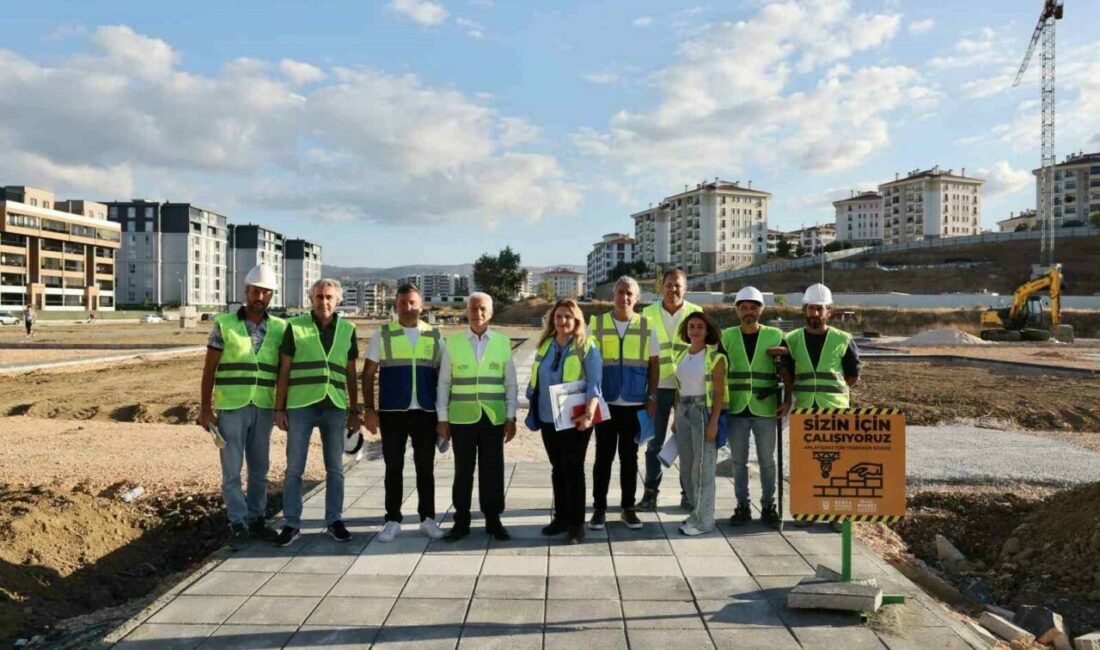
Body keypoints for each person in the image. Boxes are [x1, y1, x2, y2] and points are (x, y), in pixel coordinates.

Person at [199, 265, 285, 549]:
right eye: (255, 290)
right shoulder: (224, 324)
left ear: (271, 295)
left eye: (265, 291)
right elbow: (209, 369)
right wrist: (205, 408)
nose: (260, 296)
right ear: (246, 292)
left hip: (263, 407)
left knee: (260, 468)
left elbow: (285, 370)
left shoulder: (280, 328)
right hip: (232, 407)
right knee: (232, 470)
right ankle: (237, 522)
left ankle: (256, 519)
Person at [272, 279, 360, 546]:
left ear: (338, 300)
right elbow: (284, 370)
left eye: (329, 297)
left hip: (334, 406)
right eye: (319, 297)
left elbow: (351, 373)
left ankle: (334, 520)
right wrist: (279, 407)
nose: (324, 302)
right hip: (301, 406)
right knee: (294, 469)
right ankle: (291, 523)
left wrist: (355, 410)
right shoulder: (295, 327)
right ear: (311, 299)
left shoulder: (348, 329)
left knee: (335, 469)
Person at [361, 284, 445, 543]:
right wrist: (369, 410)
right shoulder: (382, 334)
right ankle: (392, 519)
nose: (408, 308)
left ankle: (427, 519)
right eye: (402, 303)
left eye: (412, 303)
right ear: (395, 305)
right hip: (392, 411)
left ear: (421, 305)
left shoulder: (434, 335)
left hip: (426, 411)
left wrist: (444, 416)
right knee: (393, 466)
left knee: (425, 467)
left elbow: (445, 377)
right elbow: (367, 374)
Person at [436, 292, 518, 542]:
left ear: (491, 313)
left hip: (493, 418)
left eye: (483, 309)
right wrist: (443, 418)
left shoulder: (503, 343)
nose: (478, 313)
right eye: (473, 308)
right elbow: (444, 383)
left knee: (492, 471)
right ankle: (461, 521)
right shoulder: (453, 343)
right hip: (462, 418)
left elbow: (511, 384)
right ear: (467, 311)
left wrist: (511, 417)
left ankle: (493, 520)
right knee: (463, 471)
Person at [784, 283, 862, 529]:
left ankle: (838, 513)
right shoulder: (792, 339)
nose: (815, 314)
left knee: (838, 464)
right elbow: (786, 371)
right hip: (804, 409)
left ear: (829, 311)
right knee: (805, 463)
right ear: (805, 309)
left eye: (820, 309)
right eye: (811, 309)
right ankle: (807, 510)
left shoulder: (843, 339)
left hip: (835, 411)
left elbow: (853, 376)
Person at [527, 299, 602, 545]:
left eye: (568, 316)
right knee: (558, 468)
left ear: (577, 319)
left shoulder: (586, 345)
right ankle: (560, 518)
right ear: (552, 320)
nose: (563, 321)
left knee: (574, 469)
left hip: (576, 419)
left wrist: (588, 414)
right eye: (558, 317)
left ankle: (577, 525)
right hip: (549, 418)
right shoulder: (545, 345)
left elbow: (594, 383)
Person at [586, 276, 658, 531]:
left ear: (637, 298)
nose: (624, 297)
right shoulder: (597, 324)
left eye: (629, 293)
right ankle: (599, 509)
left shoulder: (648, 326)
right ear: (613, 295)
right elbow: (588, 361)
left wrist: (652, 397)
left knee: (630, 458)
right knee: (602, 458)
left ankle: (628, 508)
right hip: (604, 402)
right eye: (620, 292)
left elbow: (654, 364)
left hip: (635, 402)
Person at [720, 286, 786, 528]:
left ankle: (768, 505)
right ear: (737, 310)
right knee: (738, 461)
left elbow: (787, 370)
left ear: (761, 310)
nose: (749, 311)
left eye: (754, 307)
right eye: (744, 307)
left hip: (765, 408)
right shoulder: (726, 336)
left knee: (767, 460)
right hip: (736, 408)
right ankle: (742, 505)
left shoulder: (775, 336)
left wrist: (786, 400)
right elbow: (718, 370)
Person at [638, 269, 702, 511]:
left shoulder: (696, 313)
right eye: (668, 285)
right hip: (657, 387)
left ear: (685, 289)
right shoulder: (647, 313)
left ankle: (687, 493)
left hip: (688, 389)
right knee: (654, 443)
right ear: (661, 287)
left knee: (686, 442)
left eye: (677, 285)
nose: (672, 289)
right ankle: (650, 493)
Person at [673, 311, 727, 536]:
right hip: (684, 411)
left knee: (703, 469)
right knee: (686, 467)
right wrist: (676, 417)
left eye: (699, 327)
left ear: (707, 331)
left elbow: (718, 393)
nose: (694, 330)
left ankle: (705, 521)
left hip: (702, 412)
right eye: (691, 326)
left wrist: (713, 422)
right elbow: (679, 388)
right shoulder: (683, 355)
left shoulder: (715, 358)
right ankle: (695, 514)